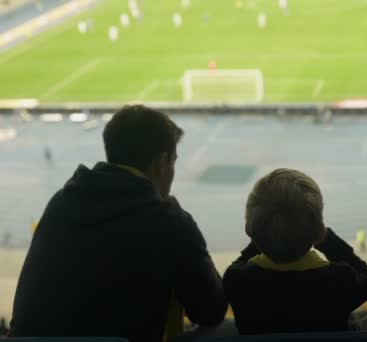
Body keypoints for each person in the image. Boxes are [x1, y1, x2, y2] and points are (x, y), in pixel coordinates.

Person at [10, 105, 227, 342]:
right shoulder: (168, 221)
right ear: (162, 162)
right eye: (173, 161)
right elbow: (211, 310)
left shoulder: (61, 202)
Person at [224, 168, 367, 334]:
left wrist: (260, 237)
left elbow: (237, 266)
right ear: (317, 231)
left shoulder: (238, 281)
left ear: (249, 229)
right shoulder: (339, 281)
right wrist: (328, 241)